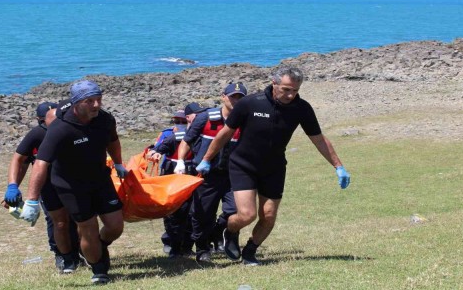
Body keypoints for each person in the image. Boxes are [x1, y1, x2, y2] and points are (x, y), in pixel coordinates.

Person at [198, 67, 351, 266]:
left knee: (268, 216)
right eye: (286, 89)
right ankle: (229, 230)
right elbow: (225, 133)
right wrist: (207, 159)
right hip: (243, 165)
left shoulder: (301, 108)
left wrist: (338, 166)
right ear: (274, 83)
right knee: (247, 215)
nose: (290, 95)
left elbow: (319, 139)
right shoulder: (250, 102)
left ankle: (250, 251)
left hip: (274, 167)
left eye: (295, 91)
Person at [20, 80, 129, 285]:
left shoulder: (105, 119)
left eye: (99, 100)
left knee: (115, 226)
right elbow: (41, 163)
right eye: (90, 101)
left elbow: (113, 141)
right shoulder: (61, 129)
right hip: (71, 186)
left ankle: (97, 246)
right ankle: (99, 270)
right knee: (88, 227)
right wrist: (32, 200)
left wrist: (119, 164)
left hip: (99, 179)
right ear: (77, 103)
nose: (96, 105)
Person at [3, 102, 81, 273]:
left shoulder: (68, 130)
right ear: (41, 120)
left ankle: (79, 252)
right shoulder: (37, 134)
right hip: (48, 185)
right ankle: (63, 256)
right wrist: (12, 186)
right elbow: (20, 161)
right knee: (57, 222)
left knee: (78, 219)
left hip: (73, 183)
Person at [175, 83, 247, 263]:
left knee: (236, 211)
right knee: (202, 214)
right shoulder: (205, 118)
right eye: (233, 96)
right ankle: (202, 249)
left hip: (233, 174)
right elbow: (186, 141)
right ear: (223, 96)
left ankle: (223, 234)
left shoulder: (245, 120)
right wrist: (180, 161)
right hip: (207, 175)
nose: (236, 101)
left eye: (240, 97)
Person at [150, 105, 199, 258]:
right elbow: (157, 149)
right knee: (173, 213)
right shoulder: (170, 136)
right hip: (172, 177)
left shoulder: (198, 136)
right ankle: (174, 245)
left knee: (193, 212)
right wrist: (154, 153)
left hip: (193, 177)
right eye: (176, 120)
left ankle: (188, 246)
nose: (179, 123)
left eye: (182, 120)